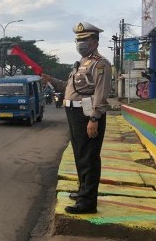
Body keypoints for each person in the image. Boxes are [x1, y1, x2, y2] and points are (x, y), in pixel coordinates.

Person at [41, 22, 112, 214]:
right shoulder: (80, 64)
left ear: (95, 42)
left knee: (88, 156)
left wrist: (95, 118)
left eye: (84, 40)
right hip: (73, 114)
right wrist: (51, 80)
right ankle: (83, 191)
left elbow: (101, 93)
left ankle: (87, 203)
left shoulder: (100, 64)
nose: (80, 43)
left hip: (87, 115)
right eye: (78, 40)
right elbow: (69, 87)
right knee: (80, 154)